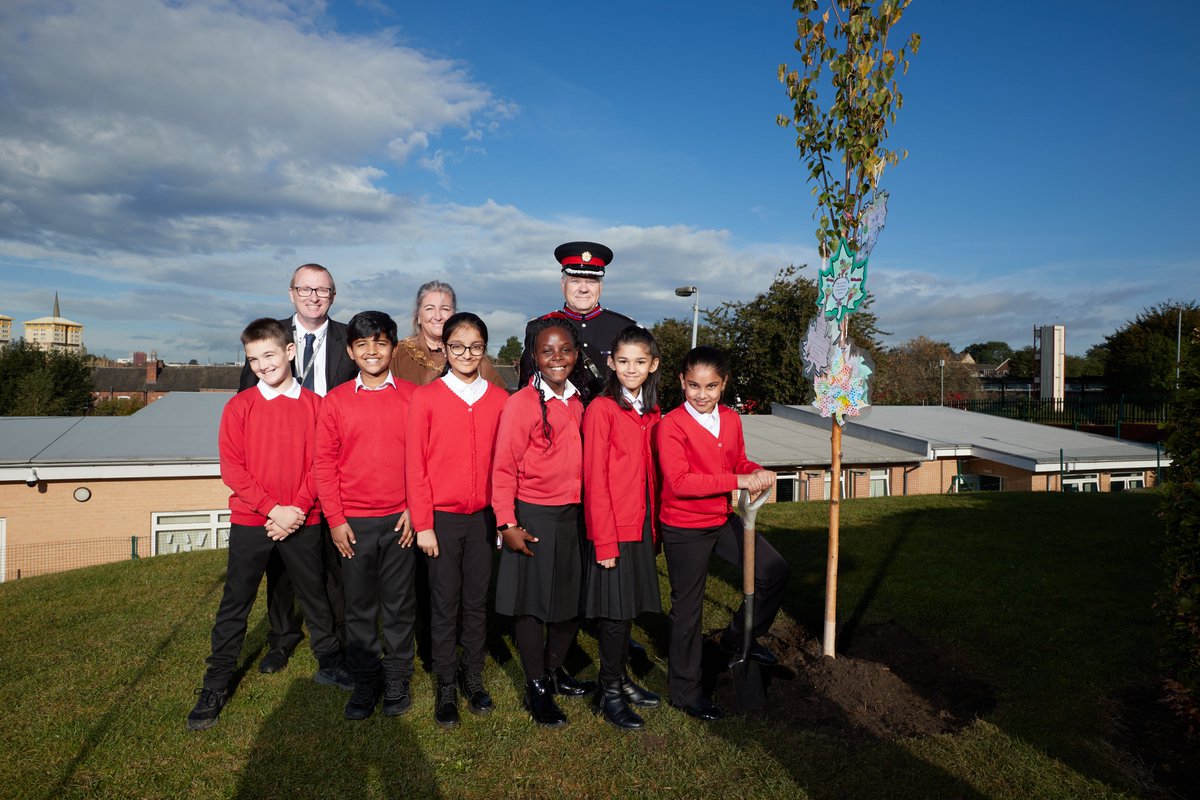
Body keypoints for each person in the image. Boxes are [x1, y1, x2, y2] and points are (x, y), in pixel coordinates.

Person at [187, 318, 352, 731]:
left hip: (304, 517)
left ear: (290, 352)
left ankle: (330, 661)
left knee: (315, 595)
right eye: (253, 359)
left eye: (270, 355)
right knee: (235, 603)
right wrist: (272, 510)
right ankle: (217, 680)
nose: (262, 365)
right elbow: (233, 470)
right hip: (251, 520)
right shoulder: (239, 406)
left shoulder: (317, 406)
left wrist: (294, 508)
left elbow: (320, 464)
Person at [656, 346, 790, 722]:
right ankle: (685, 692)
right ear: (682, 382)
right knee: (688, 610)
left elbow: (737, 461)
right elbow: (680, 482)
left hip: (720, 518)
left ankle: (736, 638)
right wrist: (738, 479)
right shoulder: (671, 426)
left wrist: (756, 470)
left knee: (774, 571)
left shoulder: (731, 419)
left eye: (711, 386)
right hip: (684, 526)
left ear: (723, 384)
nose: (702, 394)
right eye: (694, 385)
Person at [238, 263, 358, 676]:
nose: (313, 296)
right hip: (281, 483)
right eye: (305, 289)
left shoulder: (347, 340)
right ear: (291, 293)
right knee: (281, 569)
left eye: (322, 290)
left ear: (333, 295)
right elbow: (247, 405)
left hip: (333, 470)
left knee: (333, 562)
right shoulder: (266, 342)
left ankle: (338, 640)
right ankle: (283, 636)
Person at [314, 311, 418, 721]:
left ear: (393, 347)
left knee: (398, 605)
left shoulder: (413, 397)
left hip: (400, 522)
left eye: (380, 343)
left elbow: (422, 460)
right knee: (358, 607)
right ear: (351, 352)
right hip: (352, 524)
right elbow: (324, 463)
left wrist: (415, 509)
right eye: (362, 345)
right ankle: (365, 679)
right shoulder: (335, 401)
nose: (372, 351)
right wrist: (336, 519)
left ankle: (395, 678)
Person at [406, 312, 507, 728]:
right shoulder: (426, 398)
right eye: (458, 347)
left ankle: (473, 676)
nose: (467, 354)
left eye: (476, 347)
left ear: (485, 349)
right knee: (444, 603)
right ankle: (446, 683)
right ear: (444, 349)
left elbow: (507, 464)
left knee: (477, 603)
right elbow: (416, 466)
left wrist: (504, 519)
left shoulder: (501, 400)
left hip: (483, 518)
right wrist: (424, 522)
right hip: (442, 521)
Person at [493, 317, 593, 727]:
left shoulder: (578, 401)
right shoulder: (521, 404)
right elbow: (502, 469)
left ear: (575, 355)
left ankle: (553, 672)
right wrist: (506, 524)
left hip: (573, 517)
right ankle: (535, 687)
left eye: (565, 350)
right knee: (532, 608)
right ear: (533, 356)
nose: (557, 358)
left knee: (569, 606)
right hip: (533, 514)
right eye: (547, 351)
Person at [582, 326, 665, 731]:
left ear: (652, 366)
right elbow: (594, 478)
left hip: (642, 526)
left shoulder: (650, 411)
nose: (631, 369)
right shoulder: (601, 409)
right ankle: (608, 692)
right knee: (614, 615)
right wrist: (604, 540)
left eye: (640, 361)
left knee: (628, 608)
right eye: (623, 361)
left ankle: (619, 679)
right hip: (613, 528)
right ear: (611, 363)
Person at [518, 242, 637, 404]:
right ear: (563, 284)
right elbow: (526, 391)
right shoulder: (540, 329)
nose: (583, 289)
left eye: (591, 281)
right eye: (575, 281)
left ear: (601, 286)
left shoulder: (624, 328)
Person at [391, 280, 507, 389]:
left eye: (445, 309)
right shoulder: (398, 354)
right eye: (429, 309)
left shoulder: (474, 358)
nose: (438, 316)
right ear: (418, 316)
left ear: (454, 315)